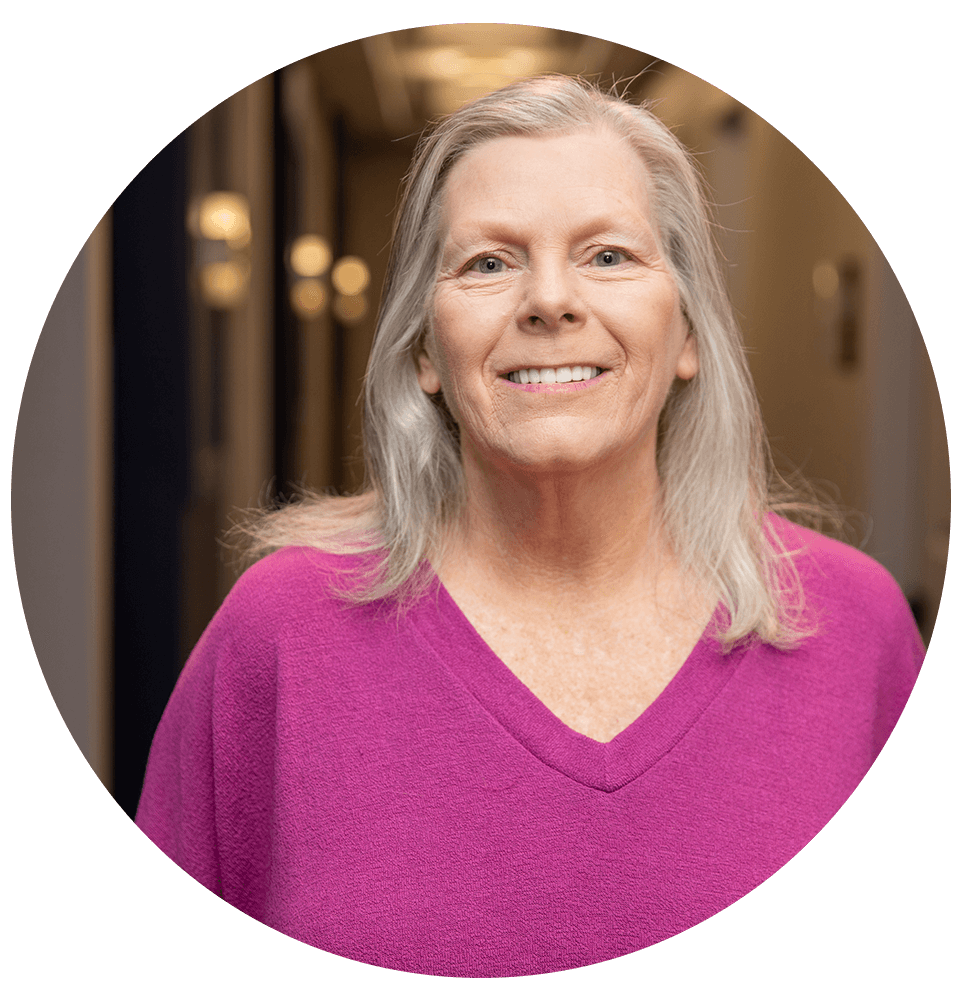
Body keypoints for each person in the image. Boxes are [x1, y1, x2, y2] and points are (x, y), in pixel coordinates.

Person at [134, 75, 924, 976]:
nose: (549, 300)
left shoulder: (855, 629)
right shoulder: (277, 633)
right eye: (488, 263)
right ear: (425, 349)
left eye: (608, 255)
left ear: (688, 334)